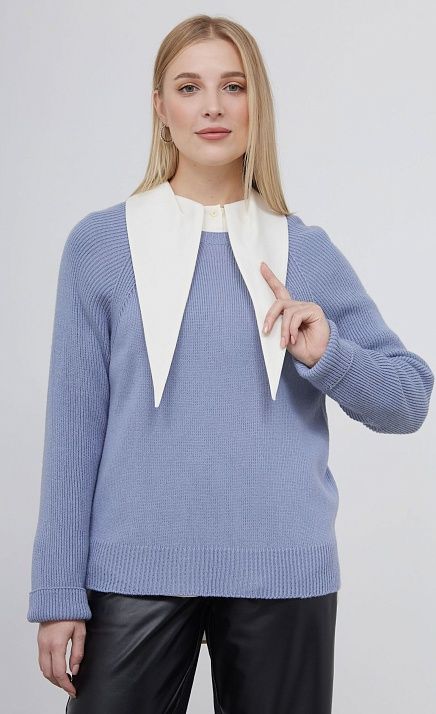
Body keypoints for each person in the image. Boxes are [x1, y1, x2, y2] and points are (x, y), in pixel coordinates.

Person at [27, 14, 434, 714]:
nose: (212, 106)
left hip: (283, 572)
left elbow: (410, 400)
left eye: (233, 86)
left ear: (257, 104)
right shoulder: (101, 246)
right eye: (189, 87)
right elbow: (73, 433)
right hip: (134, 569)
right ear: (160, 108)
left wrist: (328, 354)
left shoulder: (302, 250)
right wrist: (58, 592)